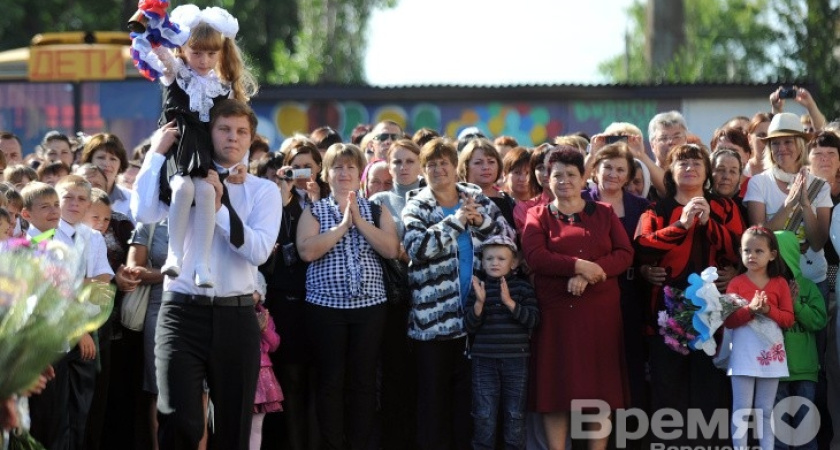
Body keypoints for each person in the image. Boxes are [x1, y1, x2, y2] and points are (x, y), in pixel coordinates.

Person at [132, 99, 282, 450]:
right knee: (179, 421)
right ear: (208, 132)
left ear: (251, 139)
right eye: (224, 129)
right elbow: (143, 211)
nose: (233, 137)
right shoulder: (183, 178)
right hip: (181, 312)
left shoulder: (264, 190)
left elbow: (259, 251)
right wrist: (156, 154)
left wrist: (220, 207)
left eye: (241, 131)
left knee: (233, 429)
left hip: (236, 315)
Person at [131, 2, 258, 288]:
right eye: (196, 52)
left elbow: (235, 127)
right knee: (181, 187)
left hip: (204, 150)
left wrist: (241, 164)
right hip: (177, 145)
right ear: (183, 49)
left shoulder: (223, 87)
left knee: (205, 190)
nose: (203, 60)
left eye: (211, 53)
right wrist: (154, 26)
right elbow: (160, 52)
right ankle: (174, 255)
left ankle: (202, 263)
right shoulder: (175, 73)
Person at [402, 138, 515, 450]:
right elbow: (417, 249)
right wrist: (457, 221)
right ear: (423, 170)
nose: (439, 169)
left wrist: (483, 222)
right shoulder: (417, 206)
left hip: (477, 320)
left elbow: (508, 241)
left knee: (469, 404)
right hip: (433, 323)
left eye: (444, 163)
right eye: (432, 164)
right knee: (433, 404)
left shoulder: (477, 199)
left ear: (455, 167)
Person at [521, 147, 633, 450]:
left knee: (600, 390)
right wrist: (576, 266)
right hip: (556, 314)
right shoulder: (537, 215)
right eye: (557, 175)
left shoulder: (605, 213)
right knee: (556, 392)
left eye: (571, 174)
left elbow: (625, 254)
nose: (564, 180)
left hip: (600, 314)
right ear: (547, 179)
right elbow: (535, 256)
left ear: (584, 177)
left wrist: (590, 273)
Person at [295, 143, 399, 450]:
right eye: (338, 167)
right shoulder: (314, 210)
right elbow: (306, 251)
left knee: (363, 380)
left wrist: (359, 221)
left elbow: (391, 249)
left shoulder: (376, 210)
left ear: (359, 173)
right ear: (327, 174)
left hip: (370, 308)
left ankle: (359, 443)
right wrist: (342, 226)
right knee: (331, 380)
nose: (344, 173)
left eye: (351, 167)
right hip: (326, 308)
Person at [582, 142, 650, 417]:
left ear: (629, 175)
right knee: (594, 361)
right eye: (607, 167)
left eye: (620, 169)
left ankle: (632, 428)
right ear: (595, 170)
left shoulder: (641, 206)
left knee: (631, 359)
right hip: (591, 291)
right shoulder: (580, 200)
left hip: (632, 291)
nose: (613, 174)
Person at [368, 138, 423, 450]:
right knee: (394, 375)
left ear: (420, 164)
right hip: (393, 299)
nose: (403, 167)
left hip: (429, 298)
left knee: (425, 379)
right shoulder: (379, 200)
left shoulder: (432, 195)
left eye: (409, 161)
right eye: (397, 162)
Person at [744, 112, 832, 299]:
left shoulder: (820, 185)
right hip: (773, 281)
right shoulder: (758, 182)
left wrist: (805, 205)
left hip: (813, 282)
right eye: (775, 143)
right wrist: (789, 205)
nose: (781, 148)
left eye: (788, 142)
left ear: (800, 145)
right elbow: (758, 237)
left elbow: (817, 243)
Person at [465, 235, 539, 450]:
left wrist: (509, 303)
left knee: (515, 414)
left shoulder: (523, 288)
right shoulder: (478, 288)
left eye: (501, 259)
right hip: (484, 361)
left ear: (513, 263)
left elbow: (534, 320)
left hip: (516, 360)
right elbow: (469, 326)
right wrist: (479, 303)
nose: (494, 263)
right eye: (489, 259)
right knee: (483, 414)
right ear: (482, 262)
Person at [724, 227, 794, 450]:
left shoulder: (780, 283)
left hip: (771, 355)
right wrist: (750, 310)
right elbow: (728, 321)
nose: (752, 255)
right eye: (747, 250)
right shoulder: (736, 283)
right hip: (743, 355)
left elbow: (788, 319)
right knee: (741, 410)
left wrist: (767, 310)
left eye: (758, 251)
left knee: (766, 410)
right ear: (740, 253)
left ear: (772, 255)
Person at [775, 230, 827, 450]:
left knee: (805, 434)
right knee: (778, 435)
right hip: (776, 373)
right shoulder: (766, 287)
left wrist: (795, 304)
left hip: (805, 371)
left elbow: (819, 321)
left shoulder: (807, 286)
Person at [458, 138, 516, 229]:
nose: (486, 167)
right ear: (465, 166)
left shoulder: (508, 201)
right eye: (478, 163)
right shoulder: (454, 198)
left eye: (491, 162)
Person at [250, 302, 283, 450]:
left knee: (256, 426)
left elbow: (274, 344)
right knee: (237, 424)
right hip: (241, 373)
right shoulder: (230, 313)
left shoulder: (264, 315)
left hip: (262, 377)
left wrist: (264, 329)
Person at [79, 134, 134, 220]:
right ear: (90, 161)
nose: (107, 164)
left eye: (113, 159)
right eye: (101, 157)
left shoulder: (132, 200)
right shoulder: (75, 196)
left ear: (120, 164)